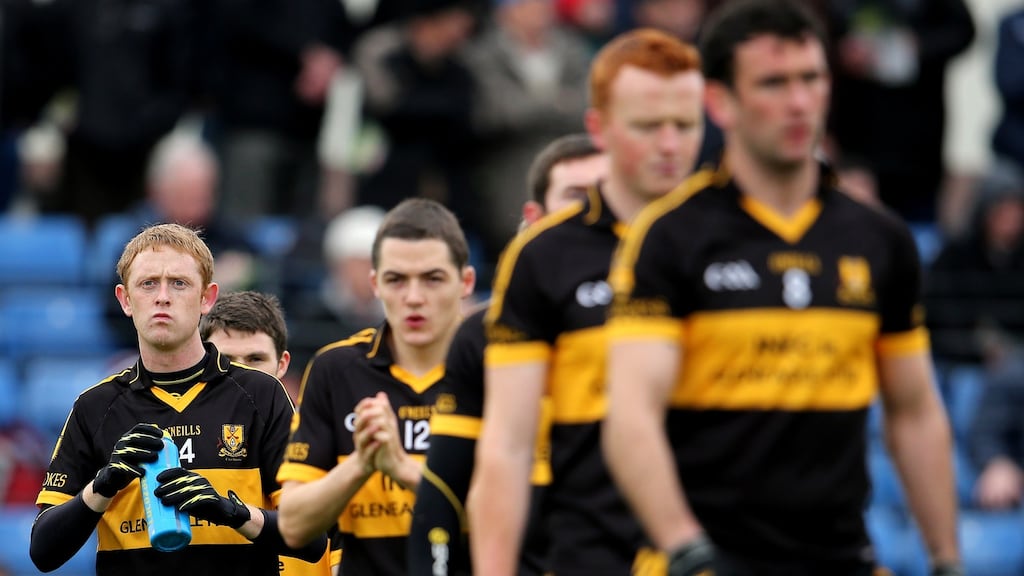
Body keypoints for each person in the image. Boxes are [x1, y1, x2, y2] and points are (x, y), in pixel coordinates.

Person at [603, 1, 961, 574]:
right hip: (711, 563)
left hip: (843, 559)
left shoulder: (879, 239)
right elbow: (631, 417)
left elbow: (914, 413)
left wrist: (946, 559)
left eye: (811, 79)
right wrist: (687, 548)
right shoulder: (669, 238)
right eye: (773, 83)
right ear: (720, 102)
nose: (799, 103)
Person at [469, 28, 704, 576]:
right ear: (600, 128)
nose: (670, 145)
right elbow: (506, 450)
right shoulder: (542, 258)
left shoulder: (739, 240)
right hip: (593, 556)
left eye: (686, 126)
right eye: (649, 126)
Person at [30, 223, 327, 575]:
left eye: (179, 283)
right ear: (125, 300)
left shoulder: (261, 394)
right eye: (148, 283)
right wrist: (103, 485)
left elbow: (310, 540)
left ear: (207, 298)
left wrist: (229, 512)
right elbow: (43, 552)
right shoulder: (95, 406)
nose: (163, 296)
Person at [408, 133, 608, 575]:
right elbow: (444, 490)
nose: (596, 211)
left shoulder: (662, 311)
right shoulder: (481, 336)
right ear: (534, 217)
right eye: (576, 196)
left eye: (605, 193)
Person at [276, 198, 476, 576]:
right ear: (375, 283)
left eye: (433, 278)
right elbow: (294, 524)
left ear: (466, 281)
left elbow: (519, 516)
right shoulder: (335, 369)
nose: (414, 297)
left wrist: (402, 468)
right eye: (396, 279)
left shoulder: (495, 368)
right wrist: (362, 462)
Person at [200, 290, 334, 574]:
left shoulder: (328, 447)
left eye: (255, 359)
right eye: (228, 360)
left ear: (283, 364)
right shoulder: (184, 444)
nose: (241, 374)